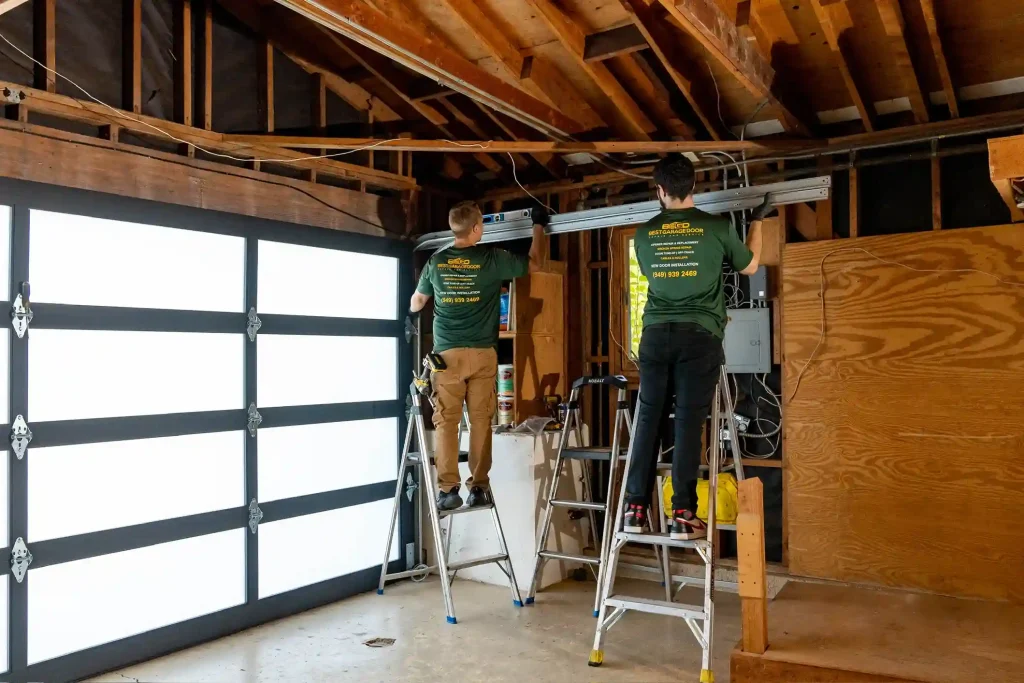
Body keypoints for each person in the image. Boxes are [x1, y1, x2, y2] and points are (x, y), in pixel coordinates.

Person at [624, 155, 770, 540]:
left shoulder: (643, 234)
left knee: (649, 417)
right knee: (689, 421)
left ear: (659, 191)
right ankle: (683, 512)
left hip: (654, 335)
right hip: (699, 335)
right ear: (694, 186)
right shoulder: (716, 227)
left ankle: (634, 507)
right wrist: (758, 221)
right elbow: (751, 266)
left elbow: (658, 276)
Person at [409, 201, 548, 511]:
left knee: (446, 422)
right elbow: (535, 263)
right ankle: (479, 488)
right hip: (483, 354)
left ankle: (448, 490)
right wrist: (538, 226)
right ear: (475, 229)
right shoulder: (491, 259)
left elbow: (417, 302)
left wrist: (422, 305)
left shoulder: (436, 262)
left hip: (447, 358)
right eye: (482, 225)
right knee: (482, 421)